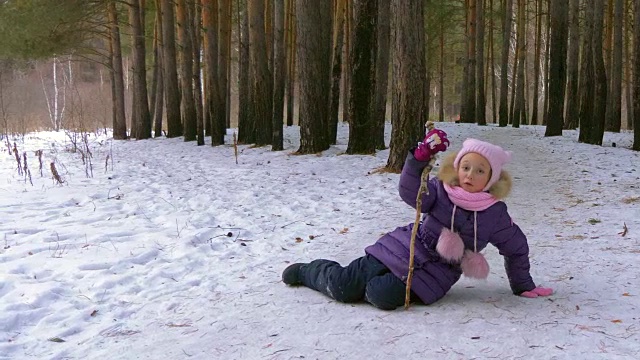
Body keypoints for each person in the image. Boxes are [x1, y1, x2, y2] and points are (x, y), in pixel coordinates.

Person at [282, 130, 553, 310]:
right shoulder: (440, 189)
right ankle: (309, 272)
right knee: (344, 285)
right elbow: (411, 193)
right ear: (457, 168)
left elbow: (516, 247)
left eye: (480, 171)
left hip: (434, 274)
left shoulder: (494, 213)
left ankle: (366, 289)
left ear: (491, 178)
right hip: (402, 247)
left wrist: (523, 285)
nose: (470, 174)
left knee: (381, 295)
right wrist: (418, 160)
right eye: (466, 167)